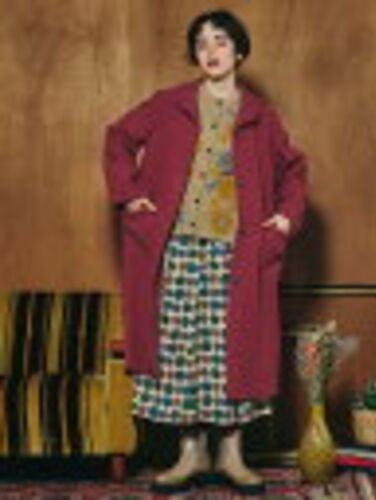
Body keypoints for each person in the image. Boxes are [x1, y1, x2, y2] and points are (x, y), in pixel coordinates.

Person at [103, 8, 308, 496]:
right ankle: (190, 454)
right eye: (201, 43)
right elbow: (118, 138)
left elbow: (294, 171)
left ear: (239, 51)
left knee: (231, 350)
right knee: (182, 349)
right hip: (177, 248)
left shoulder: (260, 116)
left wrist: (284, 218)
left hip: (236, 252)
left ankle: (232, 455)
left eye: (220, 41)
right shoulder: (168, 105)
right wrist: (130, 196)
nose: (210, 51)